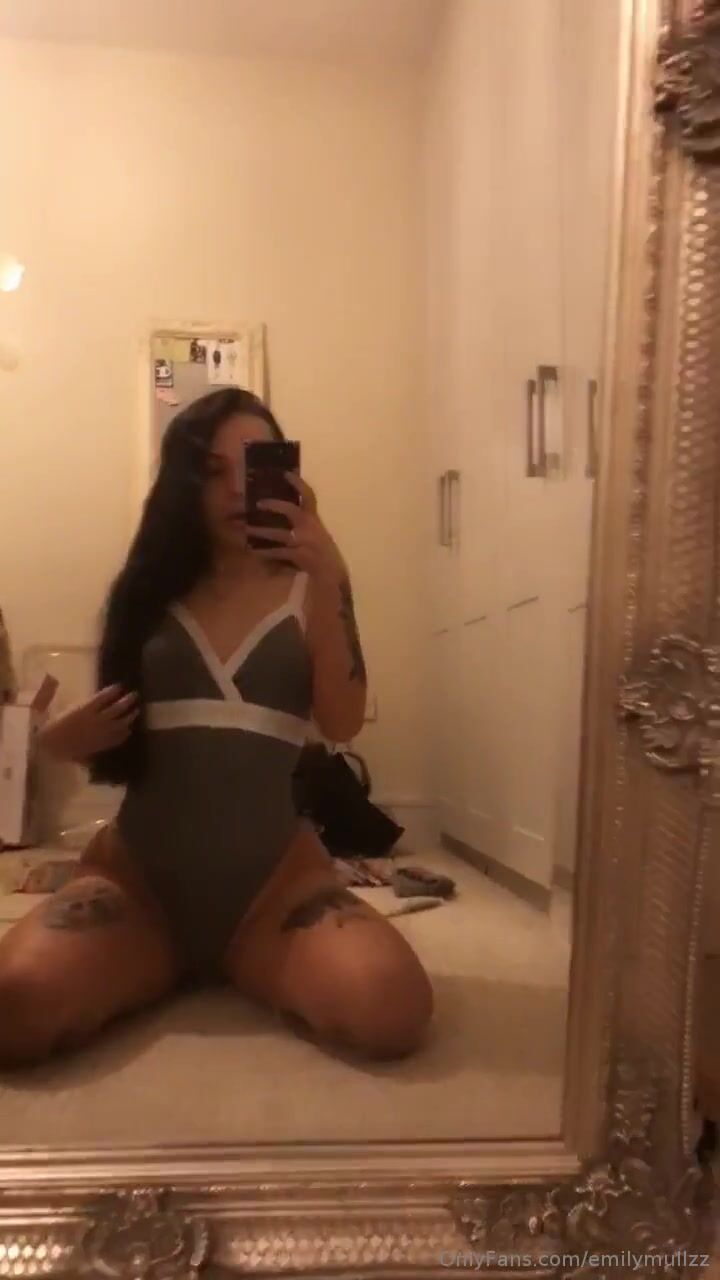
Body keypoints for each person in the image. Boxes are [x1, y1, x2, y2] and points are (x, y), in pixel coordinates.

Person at [0, 389, 433, 1069]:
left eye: (253, 465)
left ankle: (242, 961)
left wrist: (331, 571)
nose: (236, 489)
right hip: (136, 887)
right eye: (212, 471)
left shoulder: (309, 587)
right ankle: (155, 961)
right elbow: (95, 725)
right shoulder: (148, 594)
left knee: (390, 1006)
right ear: (183, 483)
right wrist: (60, 741)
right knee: (13, 1006)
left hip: (277, 892)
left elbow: (343, 720)